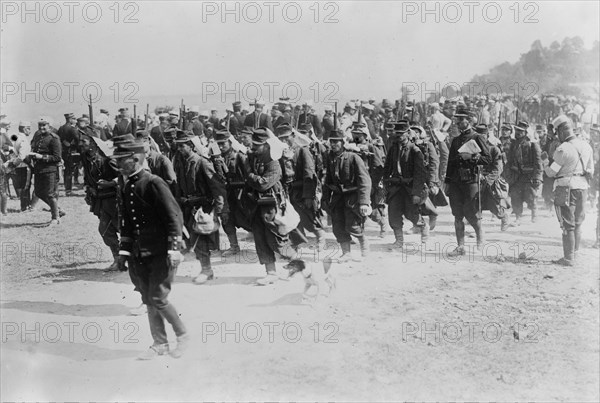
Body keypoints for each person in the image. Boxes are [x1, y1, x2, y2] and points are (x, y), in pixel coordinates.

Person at [112, 140, 188, 359]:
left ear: (135, 159)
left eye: (121, 160)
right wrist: (123, 253)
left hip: (161, 252)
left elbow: (174, 218)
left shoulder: (154, 183)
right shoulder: (126, 185)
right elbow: (125, 221)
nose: (118, 165)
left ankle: (182, 336)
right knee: (148, 298)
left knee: (158, 298)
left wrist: (174, 249)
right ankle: (160, 344)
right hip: (139, 253)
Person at [172, 130, 228, 284]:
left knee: (201, 239)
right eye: (178, 146)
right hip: (186, 207)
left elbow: (218, 187)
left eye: (182, 146)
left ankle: (207, 270)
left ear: (191, 146)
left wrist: (221, 209)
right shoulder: (179, 162)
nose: (179, 149)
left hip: (203, 208)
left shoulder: (202, 162)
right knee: (187, 238)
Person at [244, 127, 295, 285]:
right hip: (257, 206)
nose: (252, 148)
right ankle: (271, 272)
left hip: (272, 206)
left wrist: (249, 175)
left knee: (277, 240)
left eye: (256, 145)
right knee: (260, 239)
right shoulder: (255, 158)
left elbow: (263, 184)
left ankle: (297, 264)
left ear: (266, 146)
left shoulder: (274, 163)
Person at [544, 115, 594, 266]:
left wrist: (545, 161)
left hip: (566, 187)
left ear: (561, 131)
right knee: (578, 222)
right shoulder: (586, 145)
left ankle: (568, 258)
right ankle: (575, 253)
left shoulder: (563, 148)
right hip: (583, 187)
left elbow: (551, 172)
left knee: (567, 225)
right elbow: (590, 170)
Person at [444, 106, 491, 255]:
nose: (458, 123)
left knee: (472, 213)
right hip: (456, 182)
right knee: (457, 214)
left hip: (471, 180)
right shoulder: (455, 140)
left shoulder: (478, 137)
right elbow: (450, 163)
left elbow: (488, 159)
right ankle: (460, 246)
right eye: (456, 120)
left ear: (469, 120)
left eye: (461, 120)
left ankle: (480, 242)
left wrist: (472, 157)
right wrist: (447, 181)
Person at [322, 128, 372, 260]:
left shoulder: (353, 157)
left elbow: (364, 180)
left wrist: (364, 202)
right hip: (338, 197)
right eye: (331, 142)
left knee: (353, 226)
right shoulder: (330, 158)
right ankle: (346, 253)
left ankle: (363, 242)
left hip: (352, 197)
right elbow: (327, 180)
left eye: (336, 142)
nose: (333, 144)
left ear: (343, 142)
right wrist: (325, 199)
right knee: (338, 226)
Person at [276, 123, 325, 249]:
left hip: (301, 190)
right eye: (281, 138)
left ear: (293, 135)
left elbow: (309, 173)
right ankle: (298, 244)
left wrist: (309, 195)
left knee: (309, 217)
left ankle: (321, 238)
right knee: (292, 218)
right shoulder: (278, 153)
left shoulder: (302, 150)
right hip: (287, 191)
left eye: (286, 137)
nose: (284, 140)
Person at [383, 121, 429, 248]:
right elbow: (387, 168)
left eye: (401, 134)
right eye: (396, 134)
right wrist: (386, 183)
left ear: (408, 133)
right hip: (396, 187)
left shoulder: (415, 151)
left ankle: (423, 228)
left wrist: (416, 193)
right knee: (393, 213)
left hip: (410, 187)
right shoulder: (393, 148)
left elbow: (420, 174)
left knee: (412, 214)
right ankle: (399, 241)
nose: (398, 136)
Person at [79, 133, 120, 271]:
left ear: (94, 144)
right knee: (105, 230)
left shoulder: (108, 160)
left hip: (115, 200)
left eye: (84, 141)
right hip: (100, 201)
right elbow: (87, 176)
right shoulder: (86, 158)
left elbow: (124, 177)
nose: (81, 144)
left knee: (123, 229)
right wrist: (88, 189)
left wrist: (110, 183)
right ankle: (118, 259)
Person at [214, 129, 250, 256]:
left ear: (230, 142)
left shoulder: (239, 156)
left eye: (223, 143)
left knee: (247, 220)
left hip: (240, 195)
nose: (221, 146)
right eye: (218, 144)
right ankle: (234, 246)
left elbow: (248, 176)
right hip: (226, 195)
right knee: (226, 220)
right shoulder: (217, 158)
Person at [505, 121, 543, 225]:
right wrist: (508, 175)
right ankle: (518, 218)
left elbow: (538, 162)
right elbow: (509, 160)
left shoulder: (532, 144)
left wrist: (538, 176)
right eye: (517, 130)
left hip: (528, 176)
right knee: (516, 197)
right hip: (516, 175)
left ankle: (534, 214)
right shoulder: (513, 144)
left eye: (520, 131)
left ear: (525, 132)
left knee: (531, 197)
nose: (518, 132)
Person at [26, 119, 63, 225]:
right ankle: (57, 209)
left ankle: (55, 218)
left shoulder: (54, 138)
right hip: (39, 169)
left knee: (50, 194)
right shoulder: (37, 136)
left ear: (50, 126)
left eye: (44, 125)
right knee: (38, 192)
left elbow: (57, 157)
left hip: (50, 170)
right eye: (39, 125)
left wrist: (42, 157)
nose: (41, 128)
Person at [11, 121, 33, 211]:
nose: (30, 131)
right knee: (26, 186)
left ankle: (24, 206)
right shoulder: (23, 139)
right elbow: (23, 155)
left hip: (17, 166)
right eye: (29, 128)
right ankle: (25, 207)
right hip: (24, 165)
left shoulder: (15, 137)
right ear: (24, 129)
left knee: (20, 186)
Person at [57, 113, 80, 196]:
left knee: (65, 170)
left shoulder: (61, 128)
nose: (75, 121)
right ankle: (68, 190)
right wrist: (74, 146)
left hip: (62, 151)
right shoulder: (72, 129)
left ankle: (66, 189)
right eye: (74, 119)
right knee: (69, 171)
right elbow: (77, 139)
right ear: (70, 119)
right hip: (71, 152)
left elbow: (58, 139)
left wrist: (64, 142)